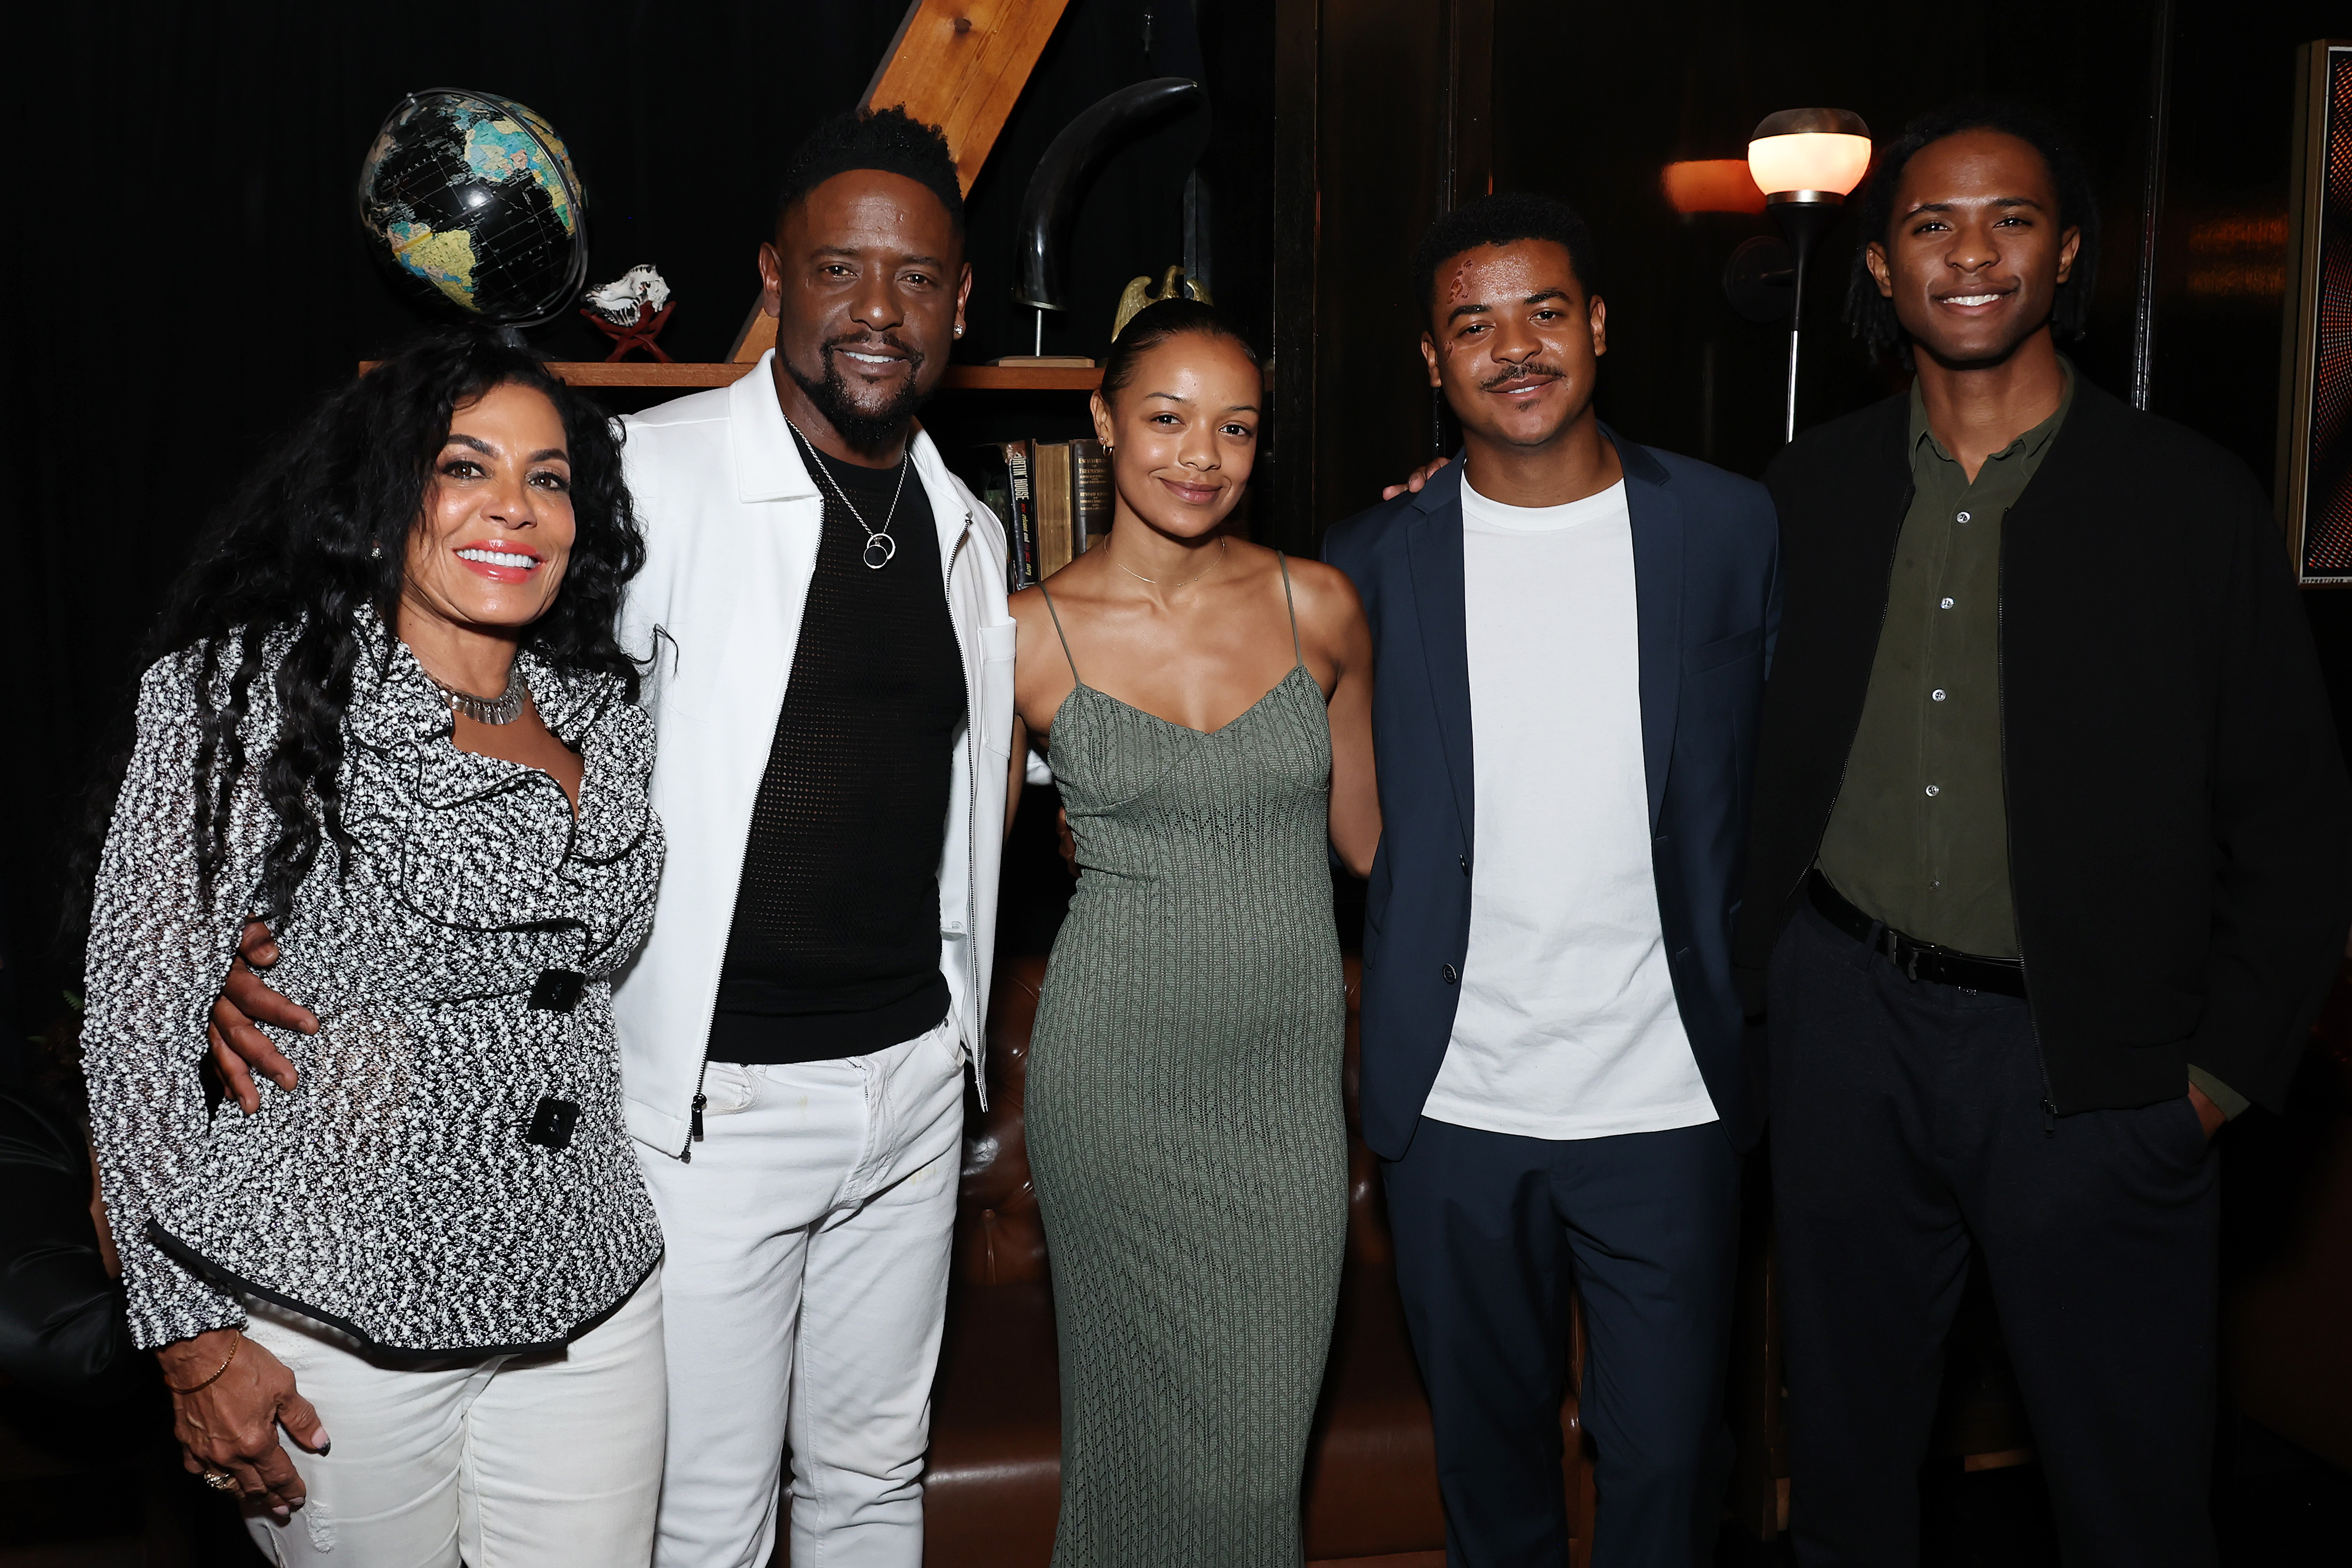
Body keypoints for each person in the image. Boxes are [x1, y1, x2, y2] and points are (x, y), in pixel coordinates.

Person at [1734, 102, 2352, 1567]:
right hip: (1843, 1040)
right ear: (1879, 268)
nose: (1967, 251)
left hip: (2088, 1070)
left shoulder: (2186, 503)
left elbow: (2298, 820)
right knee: (1845, 1480)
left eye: (2007, 218)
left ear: (2063, 254)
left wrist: (2207, 1084)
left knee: (2132, 1498)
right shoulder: (1800, 495)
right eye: (1927, 222)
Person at [79, 330, 666, 1567]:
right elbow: (132, 1034)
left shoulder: (605, 713)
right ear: (388, 493)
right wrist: (188, 1339)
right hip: (332, 1319)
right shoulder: (243, 692)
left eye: (549, 478)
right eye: (466, 467)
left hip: (591, 1296)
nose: (515, 506)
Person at [1329, 192, 1779, 1567]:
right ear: (1430, 361)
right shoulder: (1363, 564)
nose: (1511, 347)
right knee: (1491, 1473)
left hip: (1667, 1098)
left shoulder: (1729, 527)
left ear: (1597, 325)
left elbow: (1783, 774)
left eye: (1541, 312)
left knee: (1664, 1474)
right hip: (1454, 1106)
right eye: (1472, 324)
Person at [1007, 298, 1379, 1564]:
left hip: (1279, 1093)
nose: (1198, 455)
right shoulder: (1021, 635)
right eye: (1165, 418)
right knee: (1124, 1450)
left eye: (1234, 427)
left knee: (1249, 1474)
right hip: (1112, 1079)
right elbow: (949, 875)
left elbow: (1377, 843)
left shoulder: (1319, 606)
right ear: (1104, 420)